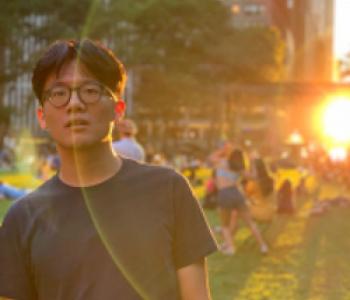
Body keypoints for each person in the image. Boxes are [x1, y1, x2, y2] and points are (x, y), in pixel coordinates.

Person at [0, 39, 217, 300]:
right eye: (59, 93)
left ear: (118, 110)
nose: (74, 104)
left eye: (90, 90)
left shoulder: (168, 190)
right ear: (42, 116)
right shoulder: (22, 219)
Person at [209, 142, 268, 255]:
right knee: (250, 223)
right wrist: (252, 162)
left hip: (224, 194)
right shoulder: (239, 169)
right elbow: (254, 176)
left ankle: (231, 248)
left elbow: (211, 157)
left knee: (225, 225)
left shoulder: (222, 163)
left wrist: (224, 150)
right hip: (237, 194)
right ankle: (263, 245)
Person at [244, 158, 275, 222]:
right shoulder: (270, 179)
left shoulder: (252, 182)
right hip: (270, 213)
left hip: (259, 214)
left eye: (251, 168)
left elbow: (246, 197)